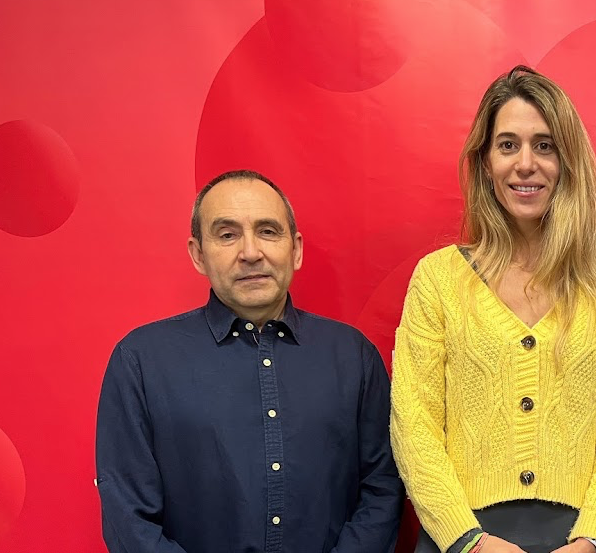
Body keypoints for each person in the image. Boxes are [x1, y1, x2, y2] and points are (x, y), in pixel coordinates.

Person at [390, 66, 596, 553]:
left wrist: (594, 539)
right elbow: (414, 423)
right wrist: (468, 540)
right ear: (485, 162)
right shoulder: (438, 279)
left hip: (576, 542)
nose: (525, 163)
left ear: (567, 161)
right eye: (507, 145)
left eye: (545, 145)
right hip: (461, 541)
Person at [95, 170, 403, 552]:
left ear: (296, 249)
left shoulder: (353, 356)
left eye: (269, 231)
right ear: (198, 254)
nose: (251, 252)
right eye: (227, 234)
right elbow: (128, 515)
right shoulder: (140, 361)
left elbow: (383, 487)